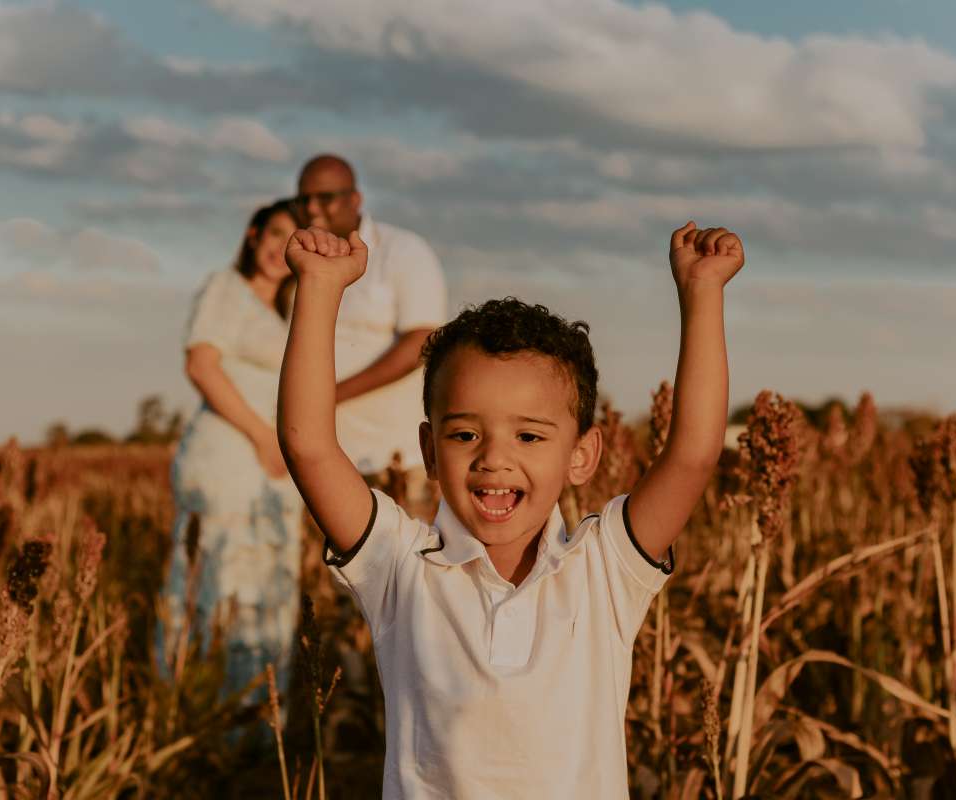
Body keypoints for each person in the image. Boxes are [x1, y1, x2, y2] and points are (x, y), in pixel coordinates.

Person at [277, 220, 744, 798]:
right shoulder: (401, 568)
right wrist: (320, 290)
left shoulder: (604, 571)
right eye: (465, 434)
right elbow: (309, 445)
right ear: (428, 449)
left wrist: (702, 292)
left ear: (581, 455)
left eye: (529, 437)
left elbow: (693, 454)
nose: (494, 459)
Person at [161, 199, 302, 702]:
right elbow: (201, 365)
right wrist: (264, 437)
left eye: (293, 240)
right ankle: (199, 707)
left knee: (263, 579)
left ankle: (253, 721)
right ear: (252, 233)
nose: (278, 248)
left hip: (269, 463)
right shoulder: (227, 288)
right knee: (217, 573)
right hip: (231, 451)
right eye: (274, 232)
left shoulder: (282, 312)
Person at [293, 155, 447, 515]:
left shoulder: (403, 251)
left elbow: (421, 342)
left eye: (325, 197)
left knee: (408, 571)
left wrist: (327, 396)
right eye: (304, 199)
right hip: (324, 465)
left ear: (355, 199)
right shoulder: (300, 261)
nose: (312, 208)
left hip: (396, 462)